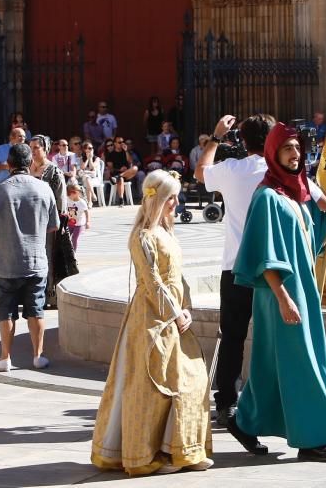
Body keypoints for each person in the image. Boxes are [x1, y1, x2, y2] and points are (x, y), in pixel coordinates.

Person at [226, 122, 326, 461]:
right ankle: (312, 438)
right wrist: (284, 298)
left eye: (297, 148)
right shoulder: (266, 196)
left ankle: (246, 421)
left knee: (271, 364)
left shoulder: (293, 194)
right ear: (273, 153)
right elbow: (264, 254)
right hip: (280, 294)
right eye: (287, 149)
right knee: (302, 361)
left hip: (299, 289)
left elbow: (309, 242)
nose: (295, 155)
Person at [90, 170, 212, 475]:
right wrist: (175, 312)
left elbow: (178, 279)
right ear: (156, 198)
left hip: (174, 316)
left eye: (176, 196)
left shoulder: (168, 232)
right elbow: (152, 281)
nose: (176, 202)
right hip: (151, 318)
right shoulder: (142, 236)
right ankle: (144, 456)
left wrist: (187, 308)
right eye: (171, 197)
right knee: (151, 387)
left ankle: (183, 450)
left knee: (189, 380)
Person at [193, 113, 275, 427]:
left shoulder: (232, 170)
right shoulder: (281, 172)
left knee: (232, 336)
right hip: (273, 267)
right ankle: (270, 400)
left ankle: (226, 402)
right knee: (273, 337)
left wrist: (215, 137)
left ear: (241, 140)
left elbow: (201, 173)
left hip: (236, 265)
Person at [0, 143, 59, 372]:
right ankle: (38, 355)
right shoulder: (44, 189)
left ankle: (5, 357)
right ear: (30, 162)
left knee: (6, 311)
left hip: (6, 262)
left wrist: (2, 235)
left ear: (9, 164)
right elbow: (53, 225)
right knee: (36, 309)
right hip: (36, 261)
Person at [30, 135, 66, 308]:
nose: (33, 151)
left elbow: (61, 198)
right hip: (28, 222)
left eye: (37, 147)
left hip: (47, 222)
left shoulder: (53, 171)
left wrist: (60, 222)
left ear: (45, 149)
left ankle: (49, 295)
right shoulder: (26, 168)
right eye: (31, 147)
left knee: (47, 257)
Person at [105, 137, 139, 206]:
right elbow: (111, 169)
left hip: (127, 174)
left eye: (123, 142)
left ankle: (118, 176)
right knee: (120, 179)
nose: (122, 144)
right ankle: (121, 200)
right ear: (115, 144)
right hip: (116, 173)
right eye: (119, 142)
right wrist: (119, 170)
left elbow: (130, 161)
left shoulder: (125, 152)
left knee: (135, 168)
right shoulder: (111, 154)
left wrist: (126, 151)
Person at [76, 141, 104, 206]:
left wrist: (90, 158)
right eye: (87, 148)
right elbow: (82, 167)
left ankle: (90, 202)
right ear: (84, 150)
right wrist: (87, 159)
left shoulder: (97, 158)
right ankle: (93, 194)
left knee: (87, 180)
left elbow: (92, 167)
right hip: (85, 177)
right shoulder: (82, 158)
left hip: (95, 178)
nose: (89, 150)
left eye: (90, 148)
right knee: (87, 178)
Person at [66, 183, 90, 251]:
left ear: (76, 193)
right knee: (66, 237)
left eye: (69, 194)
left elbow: (86, 212)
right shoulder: (67, 199)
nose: (68, 196)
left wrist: (87, 222)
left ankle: (74, 252)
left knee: (74, 238)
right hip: (70, 223)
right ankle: (67, 251)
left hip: (79, 224)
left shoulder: (82, 202)